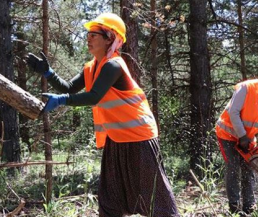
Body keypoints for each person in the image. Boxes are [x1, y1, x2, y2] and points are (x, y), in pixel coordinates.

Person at [26, 12, 179, 217]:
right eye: (88, 34)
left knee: (155, 199)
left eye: (94, 34)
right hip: (116, 138)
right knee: (110, 200)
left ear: (110, 38)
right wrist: (49, 73)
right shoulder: (91, 67)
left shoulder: (113, 65)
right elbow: (70, 87)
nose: (88, 38)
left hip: (139, 137)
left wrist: (61, 100)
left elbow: (94, 96)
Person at [215, 64, 258, 216]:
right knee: (233, 168)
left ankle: (250, 206)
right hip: (227, 134)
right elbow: (233, 112)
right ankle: (234, 207)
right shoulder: (246, 88)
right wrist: (242, 135)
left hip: (247, 139)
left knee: (248, 170)